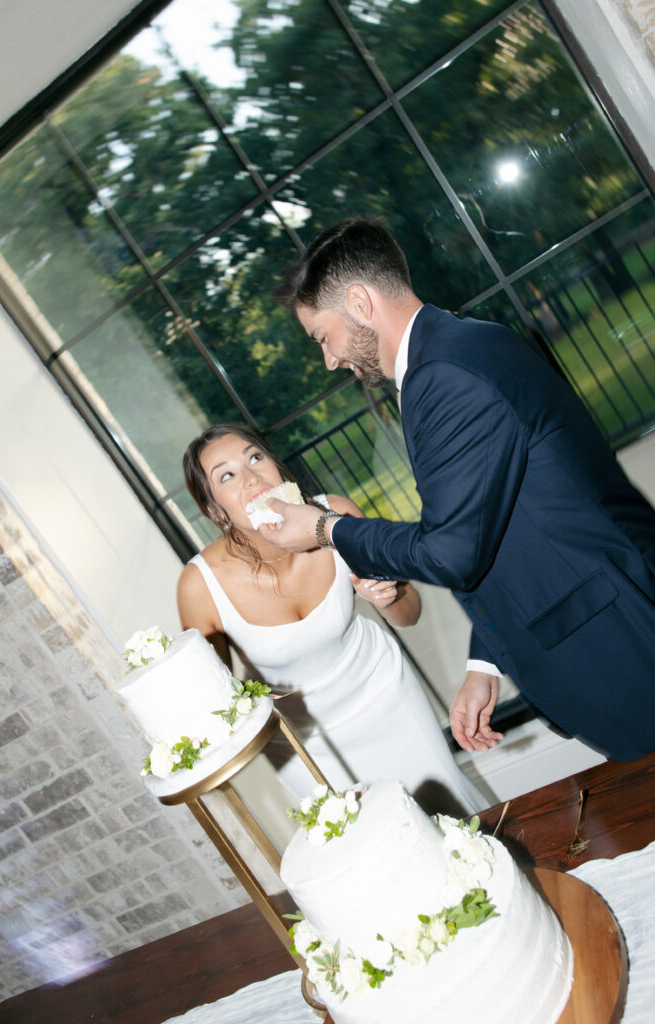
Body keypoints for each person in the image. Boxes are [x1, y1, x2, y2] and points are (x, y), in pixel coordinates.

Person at [261, 217, 655, 762]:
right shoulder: (459, 348)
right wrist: (485, 661)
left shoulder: (442, 376)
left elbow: (453, 552)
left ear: (359, 301)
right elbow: (502, 526)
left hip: (622, 642)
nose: (329, 359)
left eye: (322, 337)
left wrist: (327, 528)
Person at [177, 424, 487, 815]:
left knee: (454, 814)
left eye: (255, 457)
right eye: (227, 475)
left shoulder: (334, 514)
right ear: (213, 510)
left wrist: (386, 597)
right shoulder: (199, 585)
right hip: (303, 745)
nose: (252, 478)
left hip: (385, 694)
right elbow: (216, 699)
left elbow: (410, 613)